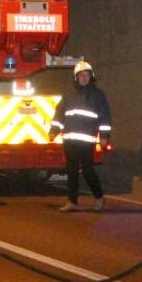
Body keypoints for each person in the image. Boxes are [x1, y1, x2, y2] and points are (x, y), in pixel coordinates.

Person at [51, 60, 112, 212]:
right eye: (81, 75)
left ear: (91, 76)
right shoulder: (69, 94)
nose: (84, 77)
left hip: (87, 140)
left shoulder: (98, 95)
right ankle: (72, 201)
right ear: (76, 77)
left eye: (87, 75)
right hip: (70, 139)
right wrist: (54, 130)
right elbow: (60, 114)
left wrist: (104, 136)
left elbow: (105, 117)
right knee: (71, 171)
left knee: (87, 170)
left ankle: (98, 197)